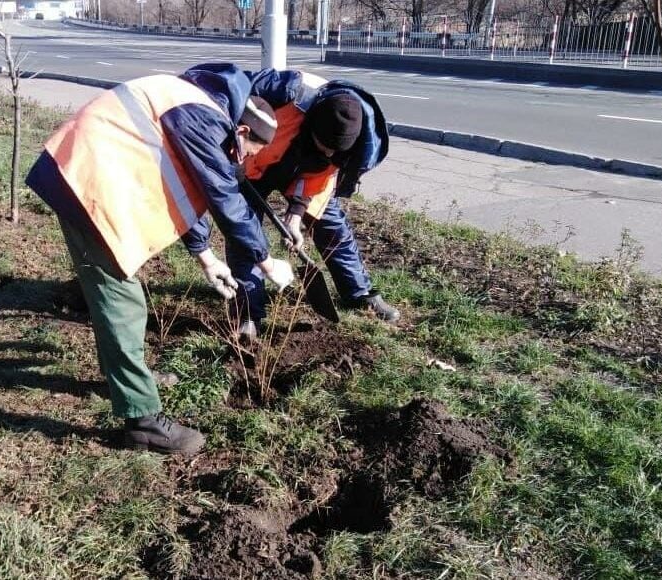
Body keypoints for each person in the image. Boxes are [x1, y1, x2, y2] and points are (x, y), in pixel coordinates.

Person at [25, 63, 293, 456]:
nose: (243, 161)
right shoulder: (205, 117)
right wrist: (266, 260)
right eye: (247, 152)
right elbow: (223, 196)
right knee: (122, 302)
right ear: (242, 131)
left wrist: (206, 259)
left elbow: (183, 186)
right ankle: (143, 421)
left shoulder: (197, 104)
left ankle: (127, 380)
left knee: (114, 298)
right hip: (87, 179)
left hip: (93, 171)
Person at [184, 70, 397, 338]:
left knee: (332, 225)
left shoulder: (352, 140)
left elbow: (320, 176)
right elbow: (229, 96)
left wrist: (296, 213)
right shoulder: (283, 91)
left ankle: (359, 292)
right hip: (251, 164)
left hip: (299, 171)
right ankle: (249, 312)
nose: (329, 154)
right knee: (244, 233)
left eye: (334, 152)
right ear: (312, 126)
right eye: (323, 146)